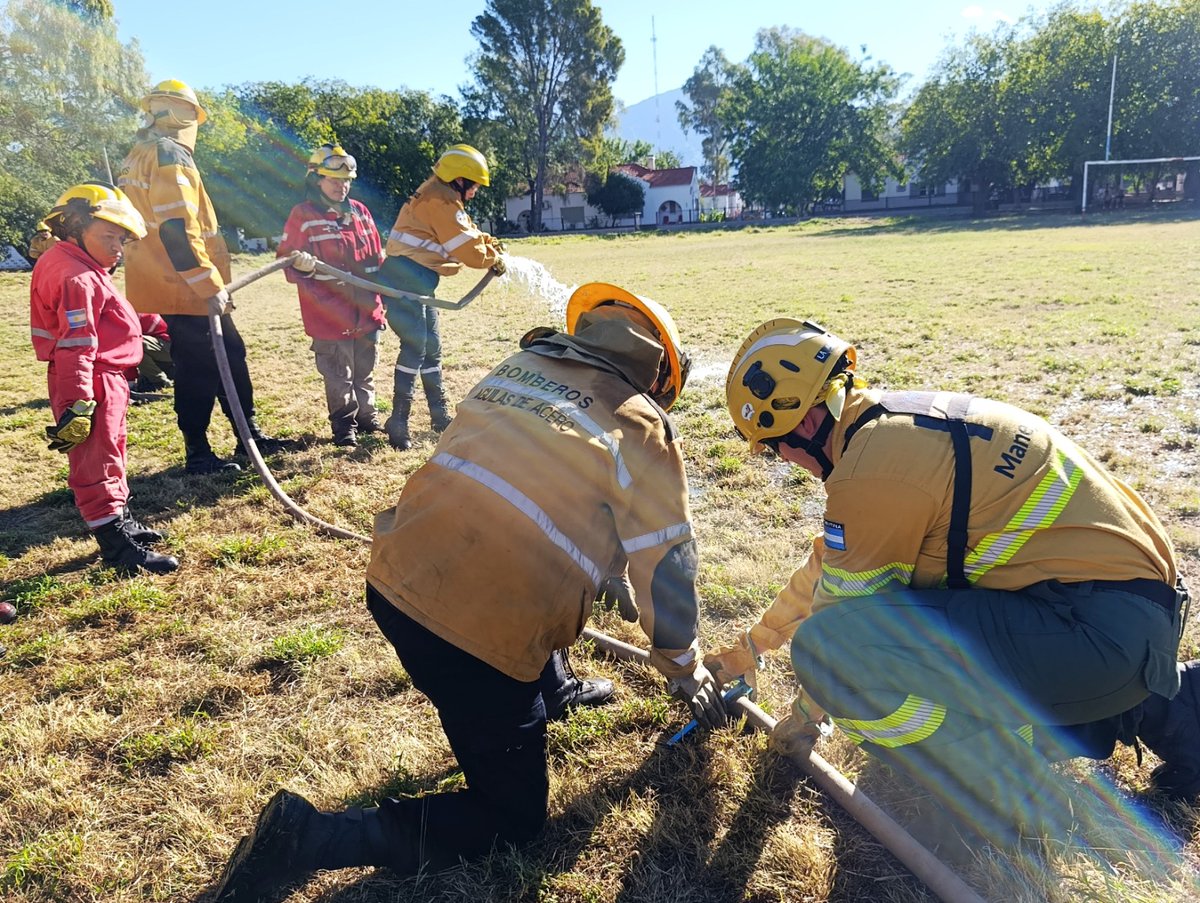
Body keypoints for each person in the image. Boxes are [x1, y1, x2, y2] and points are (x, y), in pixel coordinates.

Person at [212, 282, 726, 902]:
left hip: (399, 576)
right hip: (472, 636)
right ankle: (314, 838)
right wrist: (680, 661)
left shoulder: (519, 369)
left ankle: (551, 687)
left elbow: (521, 489)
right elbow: (670, 562)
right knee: (512, 819)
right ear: (658, 375)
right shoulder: (642, 425)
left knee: (517, 575)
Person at [709, 317, 1194, 848]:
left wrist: (801, 720)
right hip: (1124, 617)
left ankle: (1010, 791)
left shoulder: (870, 472)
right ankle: (1174, 706)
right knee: (910, 618)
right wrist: (749, 649)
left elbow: (835, 625)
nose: (785, 461)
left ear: (801, 425)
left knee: (832, 653)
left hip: (1092, 634)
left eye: (776, 447)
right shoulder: (893, 429)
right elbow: (828, 565)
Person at [118, 78, 283, 474]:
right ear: (184, 115)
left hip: (170, 279)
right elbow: (177, 228)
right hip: (186, 284)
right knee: (198, 367)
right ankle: (199, 453)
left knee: (230, 354)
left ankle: (249, 437)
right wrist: (208, 286)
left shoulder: (139, 154)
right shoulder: (170, 154)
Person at [29, 183, 179, 575]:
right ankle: (116, 548)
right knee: (96, 460)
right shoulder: (75, 275)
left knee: (112, 451)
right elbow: (76, 345)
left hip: (104, 377)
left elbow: (115, 314)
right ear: (76, 227)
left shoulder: (82, 265)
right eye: (108, 236)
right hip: (90, 379)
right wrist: (80, 404)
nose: (118, 247)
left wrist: (161, 326)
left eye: (121, 238)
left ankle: (123, 522)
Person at [378, 143, 506, 450]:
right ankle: (398, 421)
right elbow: (471, 253)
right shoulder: (440, 201)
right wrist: (491, 258)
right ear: (459, 179)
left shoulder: (443, 196)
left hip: (415, 280)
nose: (475, 191)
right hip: (401, 280)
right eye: (473, 185)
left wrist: (490, 243)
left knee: (431, 347)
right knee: (416, 347)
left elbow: (469, 233)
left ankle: (438, 415)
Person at [277, 143, 385, 447]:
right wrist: (301, 263)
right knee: (338, 374)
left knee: (365, 370)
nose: (342, 186)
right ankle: (343, 426)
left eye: (347, 180)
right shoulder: (303, 215)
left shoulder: (361, 212)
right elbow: (286, 262)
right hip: (328, 314)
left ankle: (367, 417)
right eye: (335, 180)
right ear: (316, 179)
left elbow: (376, 257)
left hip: (366, 309)